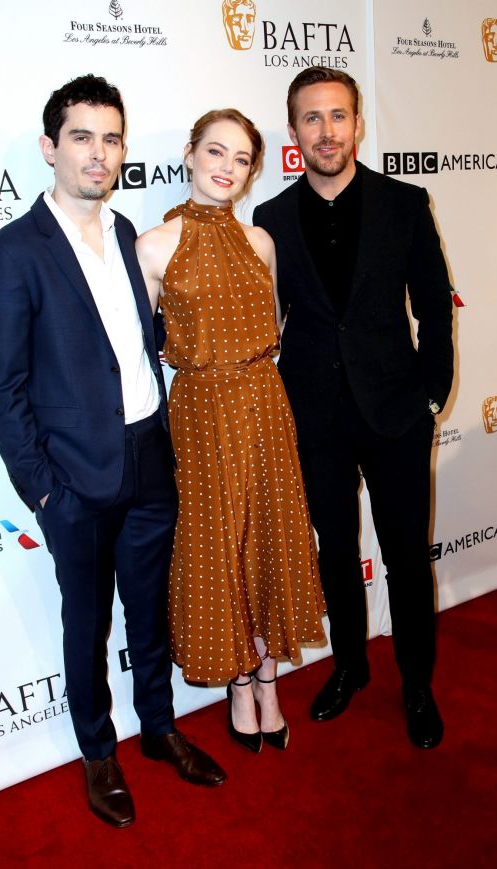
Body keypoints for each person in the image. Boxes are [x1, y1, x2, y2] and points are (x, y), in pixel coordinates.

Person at [0, 74, 226, 829]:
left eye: (111, 138)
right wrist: (44, 491)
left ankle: (158, 727)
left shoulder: (124, 233)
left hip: (150, 457)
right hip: (74, 482)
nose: (99, 152)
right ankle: (97, 751)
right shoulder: (11, 252)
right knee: (85, 625)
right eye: (81, 136)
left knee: (147, 611)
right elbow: (5, 386)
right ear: (50, 147)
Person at [253, 67, 454, 749]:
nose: (327, 131)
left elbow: (434, 308)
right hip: (315, 420)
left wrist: (429, 396)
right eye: (312, 118)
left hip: (397, 414)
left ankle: (417, 683)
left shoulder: (403, 203)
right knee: (335, 553)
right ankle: (349, 667)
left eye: (338, 116)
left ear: (358, 124)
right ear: (293, 133)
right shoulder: (270, 220)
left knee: (403, 554)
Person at [136, 109, 326, 754]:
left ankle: (270, 679)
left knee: (271, 537)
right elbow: (137, 348)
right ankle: (239, 684)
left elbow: (271, 328)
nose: (226, 167)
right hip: (200, 410)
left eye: (241, 159)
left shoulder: (261, 242)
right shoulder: (154, 245)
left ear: (252, 171)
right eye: (215, 152)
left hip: (265, 403)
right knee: (221, 549)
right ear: (189, 155)